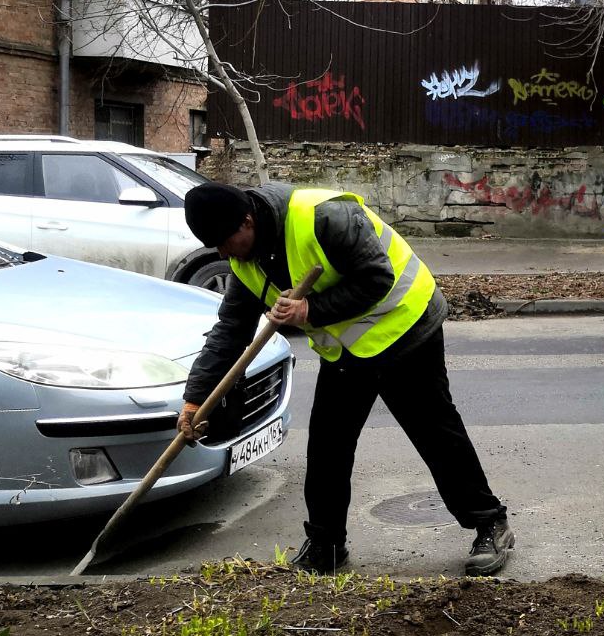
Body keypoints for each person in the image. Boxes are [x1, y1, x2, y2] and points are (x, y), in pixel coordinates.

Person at [177, 181, 513, 576]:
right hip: (348, 352)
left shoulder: (323, 216)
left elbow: (377, 277)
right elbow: (230, 330)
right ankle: (326, 544)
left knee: (435, 433)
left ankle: (490, 523)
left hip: (406, 329)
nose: (222, 252)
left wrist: (309, 311)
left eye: (224, 240)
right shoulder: (244, 260)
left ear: (247, 221)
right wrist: (196, 399)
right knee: (327, 446)